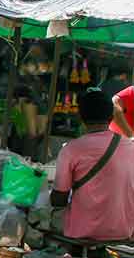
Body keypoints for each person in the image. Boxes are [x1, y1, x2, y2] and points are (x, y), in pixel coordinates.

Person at [50, 90, 134, 241]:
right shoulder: (130, 147)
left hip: (83, 231)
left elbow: (58, 199)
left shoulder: (71, 149)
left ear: (80, 117)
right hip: (124, 230)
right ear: (111, 118)